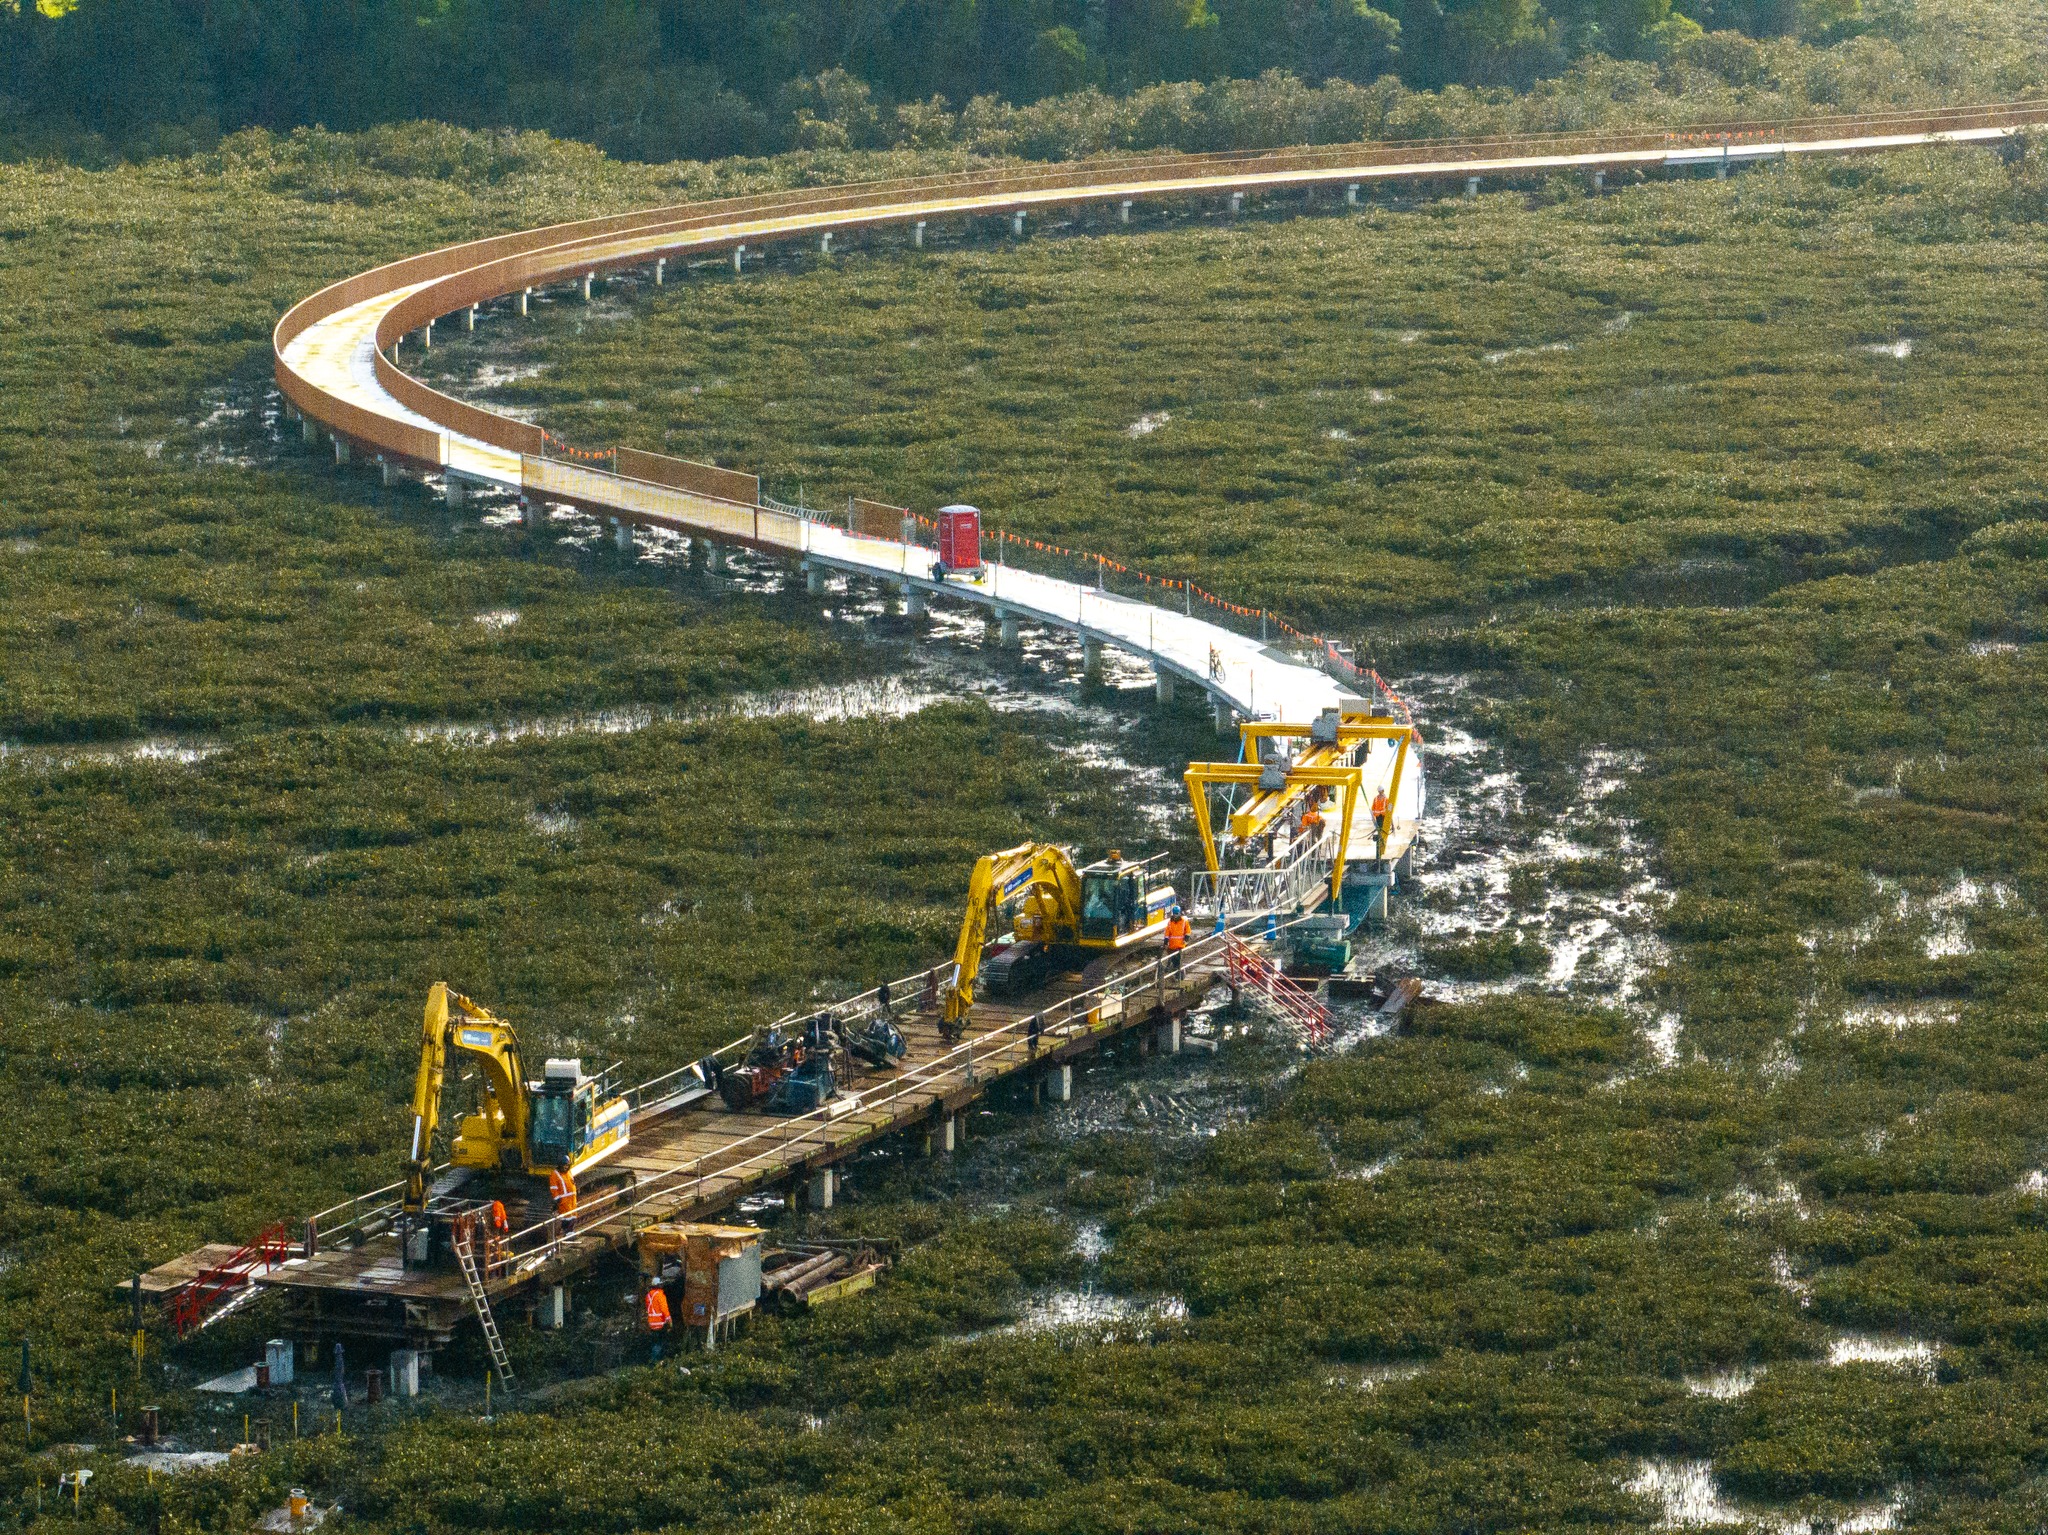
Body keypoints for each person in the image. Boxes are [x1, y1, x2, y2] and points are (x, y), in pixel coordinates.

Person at [644, 1284, 672, 1363]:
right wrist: (669, 1320)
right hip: (659, 1322)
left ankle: (656, 1360)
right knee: (659, 1343)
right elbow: (664, 1308)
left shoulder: (648, 1295)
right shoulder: (660, 1295)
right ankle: (656, 1362)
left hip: (651, 1322)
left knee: (655, 1342)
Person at [547, 1166, 578, 1236]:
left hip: (572, 1199)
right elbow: (553, 1187)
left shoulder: (568, 1172)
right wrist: (557, 1198)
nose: (566, 1167)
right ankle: (566, 1231)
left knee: (573, 1215)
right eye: (564, 1165)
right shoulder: (555, 1174)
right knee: (566, 1216)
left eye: (567, 1165)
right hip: (564, 1200)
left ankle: (570, 1230)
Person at [1164, 905, 1191, 975]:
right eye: (1174, 914)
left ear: (1179, 913)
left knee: (1178, 961)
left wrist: (1186, 939)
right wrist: (1166, 942)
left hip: (1180, 945)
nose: (1175, 915)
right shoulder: (1170, 922)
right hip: (1172, 945)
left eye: (1177, 914)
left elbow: (1188, 931)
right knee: (1174, 959)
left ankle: (1179, 974)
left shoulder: (1184, 921)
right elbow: (1167, 933)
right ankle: (1176, 972)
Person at [1371, 786, 1390, 858]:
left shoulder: (1386, 799)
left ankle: (1381, 838)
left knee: (1382, 828)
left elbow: (1388, 807)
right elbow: (1373, 807)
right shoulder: (1376, 798)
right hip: (1378, 816)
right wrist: (1373, 815)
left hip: (1383, 816)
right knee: (1379, 828)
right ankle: (1381, 838)